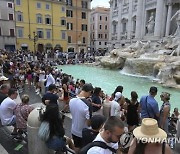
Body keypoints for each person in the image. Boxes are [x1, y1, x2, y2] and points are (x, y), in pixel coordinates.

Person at [69, 83, 93, 151]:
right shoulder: (88, 105)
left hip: (73, 129)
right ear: (89, 92)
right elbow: (88, 123)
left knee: (76, 147)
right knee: (82, 149)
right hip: (83, 133)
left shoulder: (71, 100)